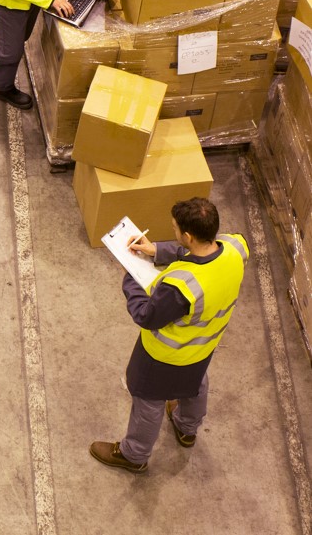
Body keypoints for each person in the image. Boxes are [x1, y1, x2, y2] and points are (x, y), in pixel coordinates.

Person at [89, 197, 248, 473]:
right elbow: (200, 255)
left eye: (175, 229)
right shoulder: (235, 247)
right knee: (195, 385)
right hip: (203, 348)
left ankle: (134, 455)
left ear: (188, 236)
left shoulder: (181, 287)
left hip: (163, 358)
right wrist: (157, 251)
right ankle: (187, 428)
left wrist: (131, 276)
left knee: (148, 402)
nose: (173, 231)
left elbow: (146, 315)